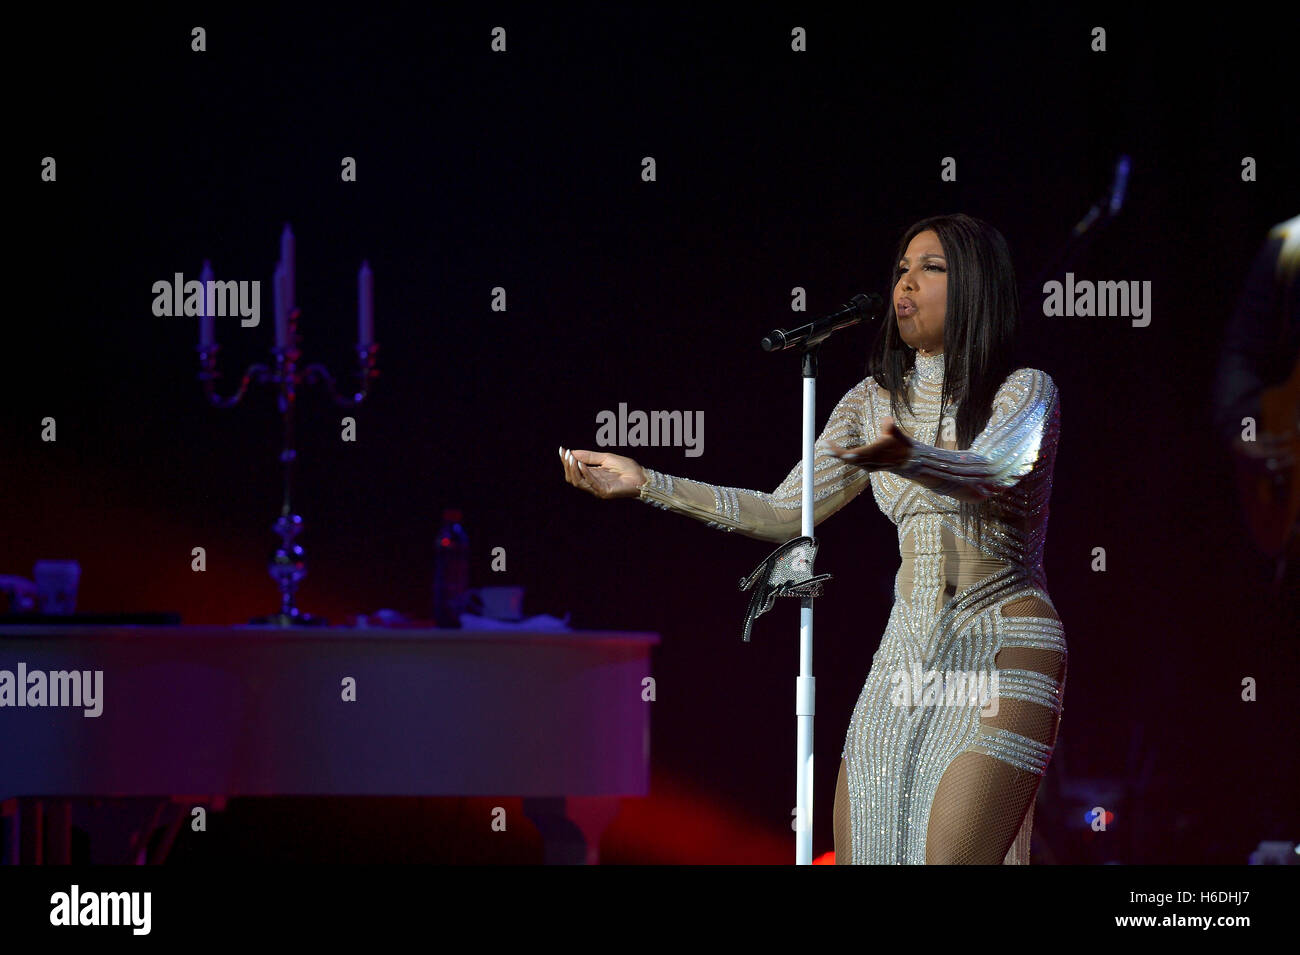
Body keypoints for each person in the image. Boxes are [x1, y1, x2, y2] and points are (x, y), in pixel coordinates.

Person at [559, 214, 1065, 864]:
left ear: (976, 285)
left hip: (1003, 649)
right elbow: (781, 510)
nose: (905, 282)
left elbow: (995, 469)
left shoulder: (1025, 390)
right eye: (900, 268)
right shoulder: (870, 403)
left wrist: (910, 456)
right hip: (907, 653)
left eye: (929, 267)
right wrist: (647, 481)